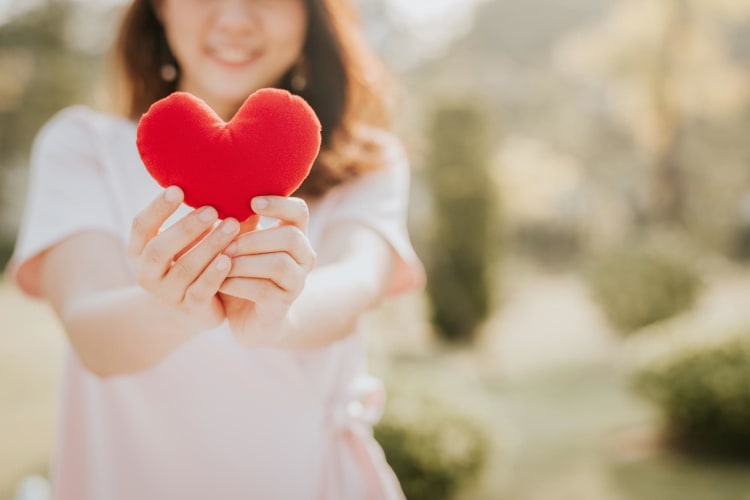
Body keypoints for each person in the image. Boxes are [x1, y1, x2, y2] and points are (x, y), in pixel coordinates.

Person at [7, 0, 425, 498]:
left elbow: (357, 280)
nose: (233, 18)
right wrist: (177, 307)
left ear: (310, 13)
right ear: (158, 8)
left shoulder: (368, 161)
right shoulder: (82, 147)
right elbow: (90, 331)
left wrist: (281, 313)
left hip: (309, 479)